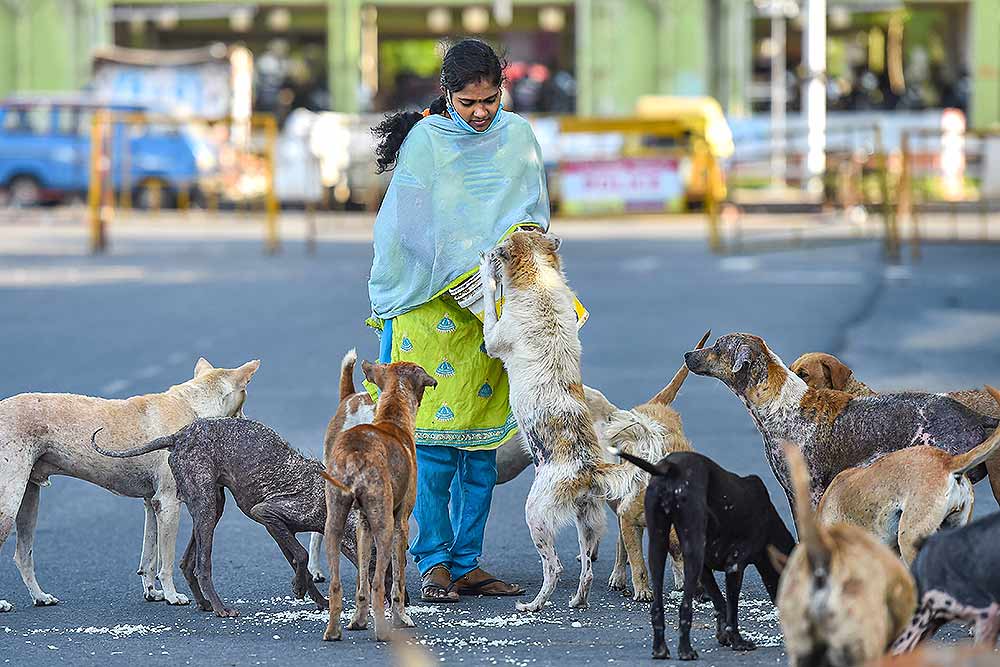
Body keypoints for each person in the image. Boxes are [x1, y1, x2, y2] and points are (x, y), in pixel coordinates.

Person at [367, 38, 549, 602]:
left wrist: (519, 263)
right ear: (447, 95)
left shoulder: (517, 137)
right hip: (431, 306)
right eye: (467, 102)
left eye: (489, 100)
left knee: (479, 449)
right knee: (436, 447)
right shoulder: (427, 142)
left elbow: (530, 213)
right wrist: (460, 276)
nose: (479, 113)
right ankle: (432, 561)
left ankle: (469, 561)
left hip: (489, 312)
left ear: (503, 90)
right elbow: (413, 231)